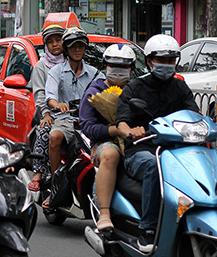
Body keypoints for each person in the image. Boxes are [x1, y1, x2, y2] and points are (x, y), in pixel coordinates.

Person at [117, 34, 197, 252]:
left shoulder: (181, 88)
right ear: (150, 61)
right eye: (162, 60)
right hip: (143, 151)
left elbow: (194, 115)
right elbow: (122, 122)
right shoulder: (134, 87)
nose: (167, 65)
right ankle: (148, 228)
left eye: (171, 60)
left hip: (176, 151)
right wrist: (131, 131)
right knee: (155, 165)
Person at [80, 44, 136, 233]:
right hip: (104, 143)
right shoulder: (94, 92)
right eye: (114, 66)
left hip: (136, 142)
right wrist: (114, 130)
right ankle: (104, 213)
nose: (119, 71)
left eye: (124, 67)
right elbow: (87, 126)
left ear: (132, 69)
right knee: (110, 155)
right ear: (105, 67)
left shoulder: (138, 89)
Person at [45, 27, 104, 181]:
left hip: (89, 121)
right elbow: (50, 97)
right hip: (64, 120)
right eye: (73, 46)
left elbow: (108, 94)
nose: (77, 50)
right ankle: (55, 183)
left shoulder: (96, 73)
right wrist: (57, 104)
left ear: (85, 48)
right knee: (55, 137)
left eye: (81, 46)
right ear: (66, 49)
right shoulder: (56, 71)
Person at [27, 24, 66, 191]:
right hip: (50, 112)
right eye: (51, 42)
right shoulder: (41, 66)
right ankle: (38, 173)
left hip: (72, 113)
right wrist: (46, 114)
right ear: (46, 46)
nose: (55, 44)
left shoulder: (71, 61)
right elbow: (40, 93)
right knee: (44, 131)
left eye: (58, 40)